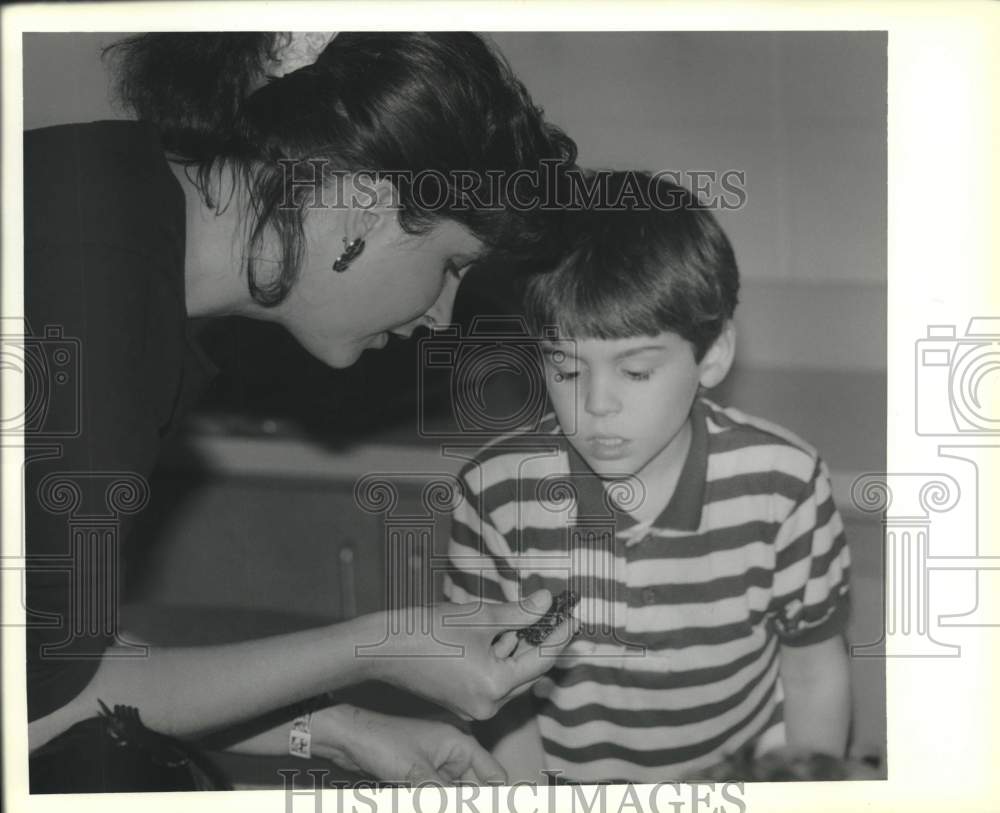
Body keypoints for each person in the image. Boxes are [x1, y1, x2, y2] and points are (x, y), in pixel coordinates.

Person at [23, 32, 578, 791]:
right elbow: (34, 709)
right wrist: (381, 645)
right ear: (364, 205)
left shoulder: (118, 202)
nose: (445, 318)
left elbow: (53, 647)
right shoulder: (96, 323)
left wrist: (343, 732)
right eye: (451, 265)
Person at [443, 171, 853, 783]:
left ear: (710, 355)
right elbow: (502, 699)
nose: (597, 404)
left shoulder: (784, 487)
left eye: (635, 372)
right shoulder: (496, 496)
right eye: (566, 369)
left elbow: (814, 673)